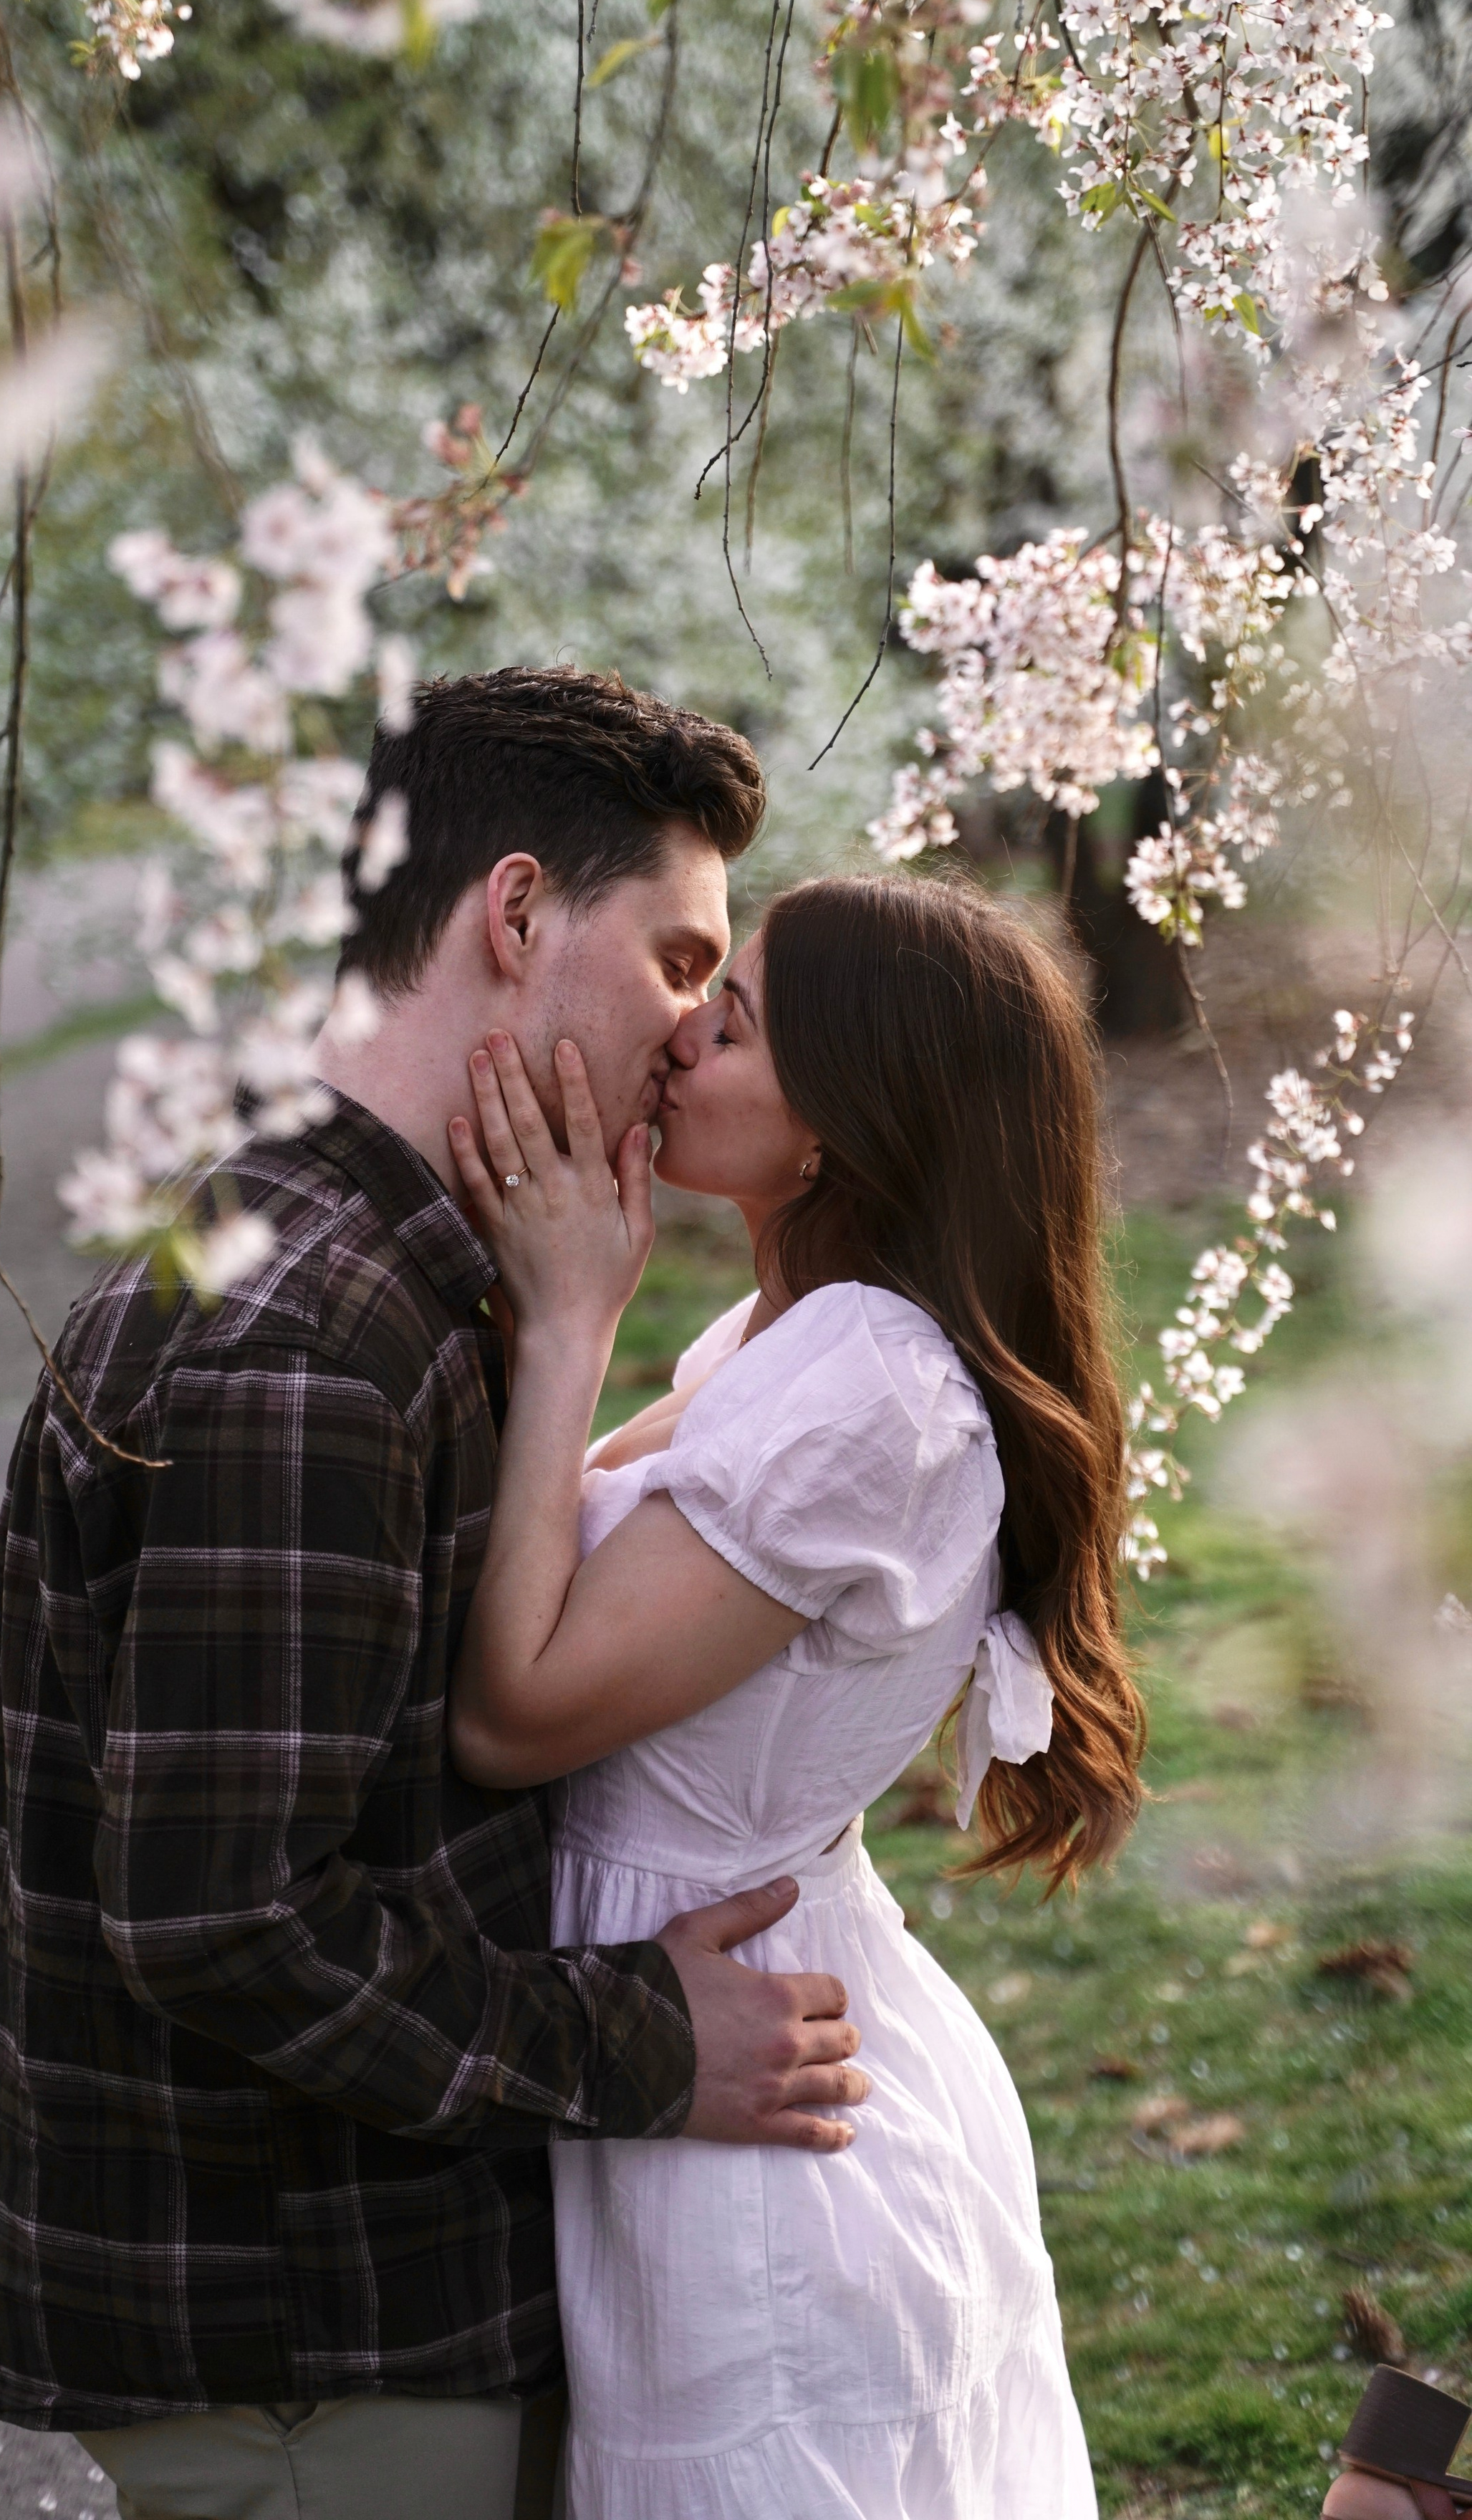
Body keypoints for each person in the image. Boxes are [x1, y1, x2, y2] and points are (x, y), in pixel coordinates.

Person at [0, 668, 872, 2520]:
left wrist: (569, 1332)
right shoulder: (310, 1342)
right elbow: (225, 1920)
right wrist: (643, 2042)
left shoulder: (369, 1263)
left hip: (362, 2291)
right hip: (309, 2329)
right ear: (516, 913)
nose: (698, 1034)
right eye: (684, 962)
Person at [446, 870, 1148, 2519]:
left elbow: (514, 1704)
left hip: (754, 2129)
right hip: (712, 2039)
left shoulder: (866, 1393)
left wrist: (568, 1322)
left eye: (734, 1017)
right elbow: (540, 1543)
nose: (680, 1029)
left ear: (844, 1117)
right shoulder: (786, 1341)